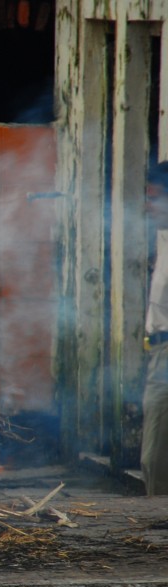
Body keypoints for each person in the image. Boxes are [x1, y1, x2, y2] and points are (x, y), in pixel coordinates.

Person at [143, 161, 168, 495]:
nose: (147, 206)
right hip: (158, 351)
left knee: (155, 457)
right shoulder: (163, 237)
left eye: (155, 198)